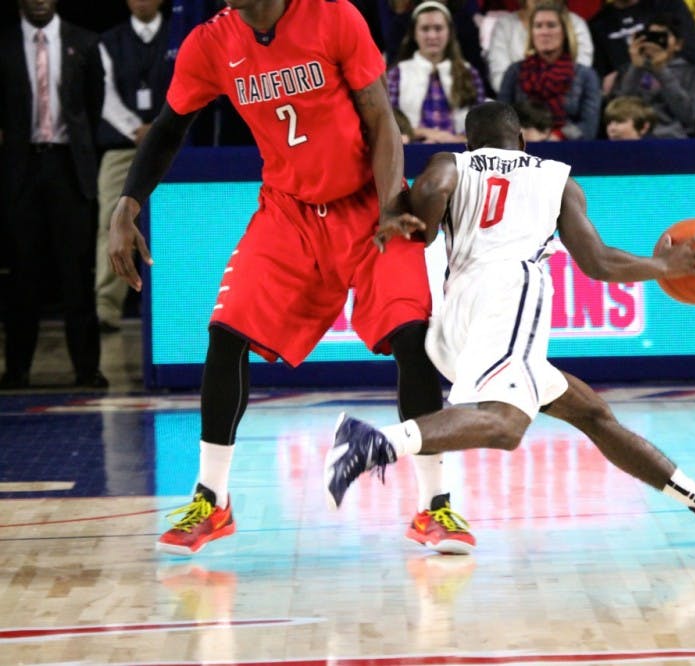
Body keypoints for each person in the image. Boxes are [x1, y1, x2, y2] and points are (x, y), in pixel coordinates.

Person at [107, 0, 473, 556]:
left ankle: (435, 505)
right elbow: (169, 126)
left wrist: (387, 205)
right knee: (226, 331)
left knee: (410, 337)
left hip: (368, 205)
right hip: (290, 212)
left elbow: (381, 120)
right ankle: (212, 498)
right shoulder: (212, 43)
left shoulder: (333, 16)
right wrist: (128, 204)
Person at [324, 101, 695, 542]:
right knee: (506, 426)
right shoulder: (555, 178)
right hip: (510, 293)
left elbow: (432, 191)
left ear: (469, 143)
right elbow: (599, 263)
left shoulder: (453, 163)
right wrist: (663, 266)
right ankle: (373, 443)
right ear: (522, 140)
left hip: (456, 318)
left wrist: (422, 214)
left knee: (592, 414)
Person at [0, 0, 106, 390]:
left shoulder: (85, 42)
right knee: (21, 275)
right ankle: (16, 371)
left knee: (77, 273)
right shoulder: (5, 44)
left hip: (69, 168)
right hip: (20, 169)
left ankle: (87, 369)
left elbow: (93, 106)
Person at [94, 0, 174, 334]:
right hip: (122, 147)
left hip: (172, 144)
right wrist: (134, 128)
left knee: (174, 225)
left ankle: (173, 305)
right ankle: (106, 307)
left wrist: (160, 128)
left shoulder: (181, 35)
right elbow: (104, 94)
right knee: (111, 223)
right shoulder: (108, 41)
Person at [497, 2, 602, 140]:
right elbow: (501, 122)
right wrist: (523, 134)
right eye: (538, 26)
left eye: (551, 25)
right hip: (523, 149)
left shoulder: (585, 76)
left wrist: (556, 136)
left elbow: (589, 127)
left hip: (570, 150)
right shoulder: (514, 72)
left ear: (565, 31)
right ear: (531, 32)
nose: (544, 32)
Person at [387, 0, 486, 144]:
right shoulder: (397, 73)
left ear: (449, 32)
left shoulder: (469, 72)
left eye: (438, 28)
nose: (432, 36)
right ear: (414, 33)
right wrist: (422, 133)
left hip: (460, 150)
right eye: (425, 29)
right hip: (413, 150)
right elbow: (388, 118)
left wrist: (455, 139)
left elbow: (481, 121)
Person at [608, 11, 695, 137]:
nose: (656, 42)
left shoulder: (691, 73)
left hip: (674, 141)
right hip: (633, 139)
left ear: (678, 44)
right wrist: (636, 68)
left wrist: (661, 70)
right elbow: (617, 111)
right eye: (651, 36)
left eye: (662, 37)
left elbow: (689, 116)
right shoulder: (628, 69)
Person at [486, 0, 595, 94]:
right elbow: (499, 80)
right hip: (519, 107)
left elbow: (582, 74)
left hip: (567, 104)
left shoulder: (575, 24)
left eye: (551, 25)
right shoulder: (504, 25)